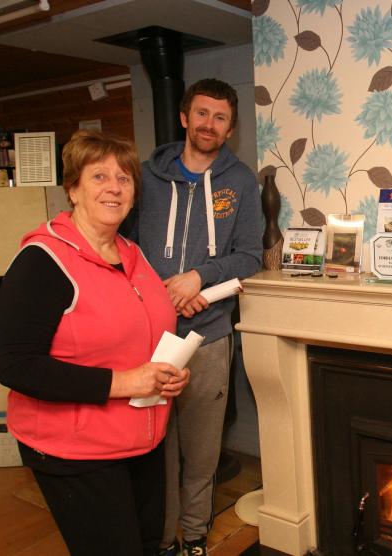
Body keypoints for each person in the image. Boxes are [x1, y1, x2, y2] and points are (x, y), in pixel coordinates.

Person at [0, 130, 191, 556]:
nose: (114, 187)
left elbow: (144, 335)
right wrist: (126, 382)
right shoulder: (43, 261)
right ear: (72, 189)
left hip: (142, 438)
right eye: (99, 176)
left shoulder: (133, 256)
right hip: (75, 450)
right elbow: (13, 364)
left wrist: (168, 374)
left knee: (145, 544)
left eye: (124, 178)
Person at [127, 78, 262, 556]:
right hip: (149, 333)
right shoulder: (145, 177)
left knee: (202, 451)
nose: (210, 124)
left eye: (221, 117)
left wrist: (198, 278)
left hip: (209, 335)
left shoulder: (241, 181)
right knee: (156, 447)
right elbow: (123, 248)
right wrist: (162, 292)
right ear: (185, 117)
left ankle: (196, 536)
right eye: (202, 114)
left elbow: (249, 256)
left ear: (231, 127)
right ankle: (162, 541)